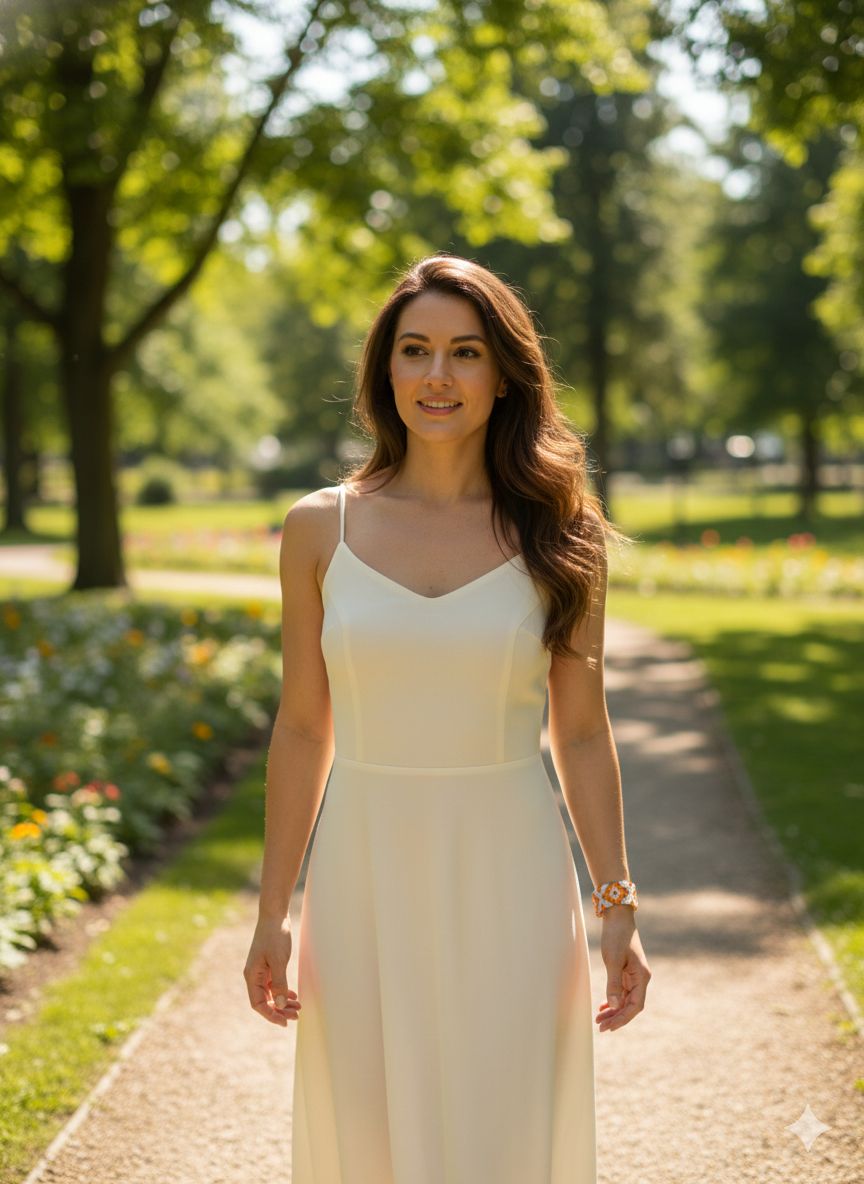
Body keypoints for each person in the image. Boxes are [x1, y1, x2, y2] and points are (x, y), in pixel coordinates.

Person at [243, 253, 651, 1183]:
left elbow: (581, 732)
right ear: (384, 370)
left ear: (504, 374)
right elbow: (304, 728)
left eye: (465, 353)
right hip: (364, 863)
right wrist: (273, 912)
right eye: (415, 350)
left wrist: (618, 907)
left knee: (501, 1115)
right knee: (371, 1118)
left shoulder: (563, 533)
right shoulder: (320, 528)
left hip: (506, 857)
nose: (437, 376)